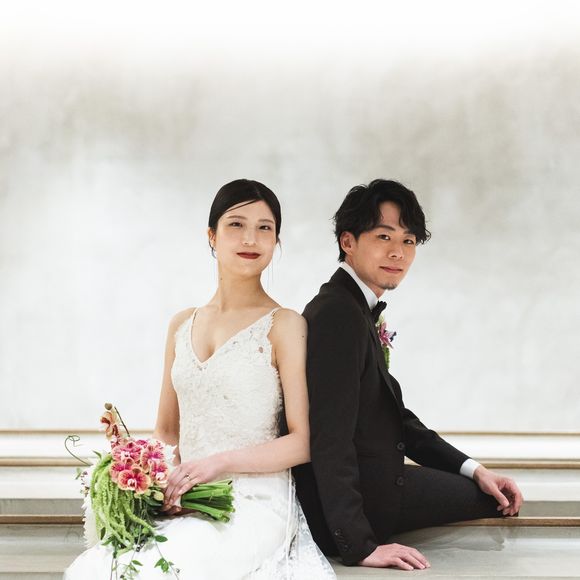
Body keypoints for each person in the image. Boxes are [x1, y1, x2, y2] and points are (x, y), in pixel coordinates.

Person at [65, 179, 335, 579]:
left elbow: (303, 441)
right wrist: (149, 475)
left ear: (276, 242)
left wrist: (216, 464)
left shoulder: (285, 324)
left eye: (264, 228)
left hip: (255, 501)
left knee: (168, 567)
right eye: (236, 224)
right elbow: (167, 432)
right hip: (188, 498)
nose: (250, 238)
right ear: (212, 235)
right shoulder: (181, 324)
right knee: (104, 565)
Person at [293, 179, 524, 571]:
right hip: (364, 500)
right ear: (348, 242)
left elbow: (395, 417)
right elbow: (330, 438)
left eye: (409, 241)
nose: (397, 252)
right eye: (384, 236)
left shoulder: (352, 306)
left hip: (378, 476)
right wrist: (358, 545)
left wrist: (475, 468)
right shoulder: (337, 314)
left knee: (488, 489)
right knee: (495, 501)